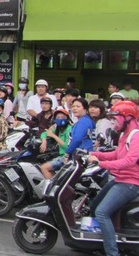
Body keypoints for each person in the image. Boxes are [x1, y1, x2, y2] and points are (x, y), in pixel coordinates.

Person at [86, 101, 139, 256]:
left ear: (128, 118)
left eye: (116, 118)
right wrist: (94, 154)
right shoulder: (124, 135)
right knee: (94, 206)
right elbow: (116, 154)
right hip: (119, 179)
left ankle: (112, 253)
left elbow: (129, 161)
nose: (114, 123)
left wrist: (101, 163)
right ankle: (96, 243)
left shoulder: (136, 136)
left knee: (102, 212)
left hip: (130, 183)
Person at [39, 108, 73, 178]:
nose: (60, 119)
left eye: (62, 117)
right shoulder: (58, 128)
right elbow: (44, 133)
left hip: (67, 156)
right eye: (58, 117)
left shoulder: (69, 129)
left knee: (44, 167)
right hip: (61, 155)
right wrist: (44, 141)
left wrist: (54, 136)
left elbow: (67, 147)